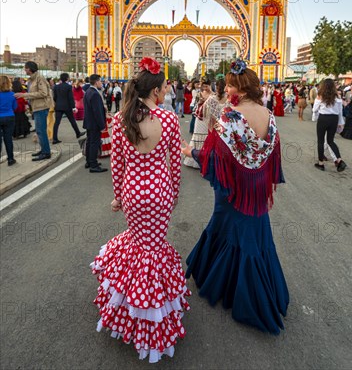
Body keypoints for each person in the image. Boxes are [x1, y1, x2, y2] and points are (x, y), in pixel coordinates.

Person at [90, 57, 190, 362]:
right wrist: (172, 195)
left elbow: (116, 167)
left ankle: (128, 311)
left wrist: (119, 197)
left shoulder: (121, 120)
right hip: (159, 192)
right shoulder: (170, 120)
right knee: (153, 248)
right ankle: (151, 321)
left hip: (133, 193)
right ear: (157, 91)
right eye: (164, 87)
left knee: (138, 245)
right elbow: (175, 165)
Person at [181, 59, 288, 334]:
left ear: (239, 88)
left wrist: (189, 152)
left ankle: (228, 284)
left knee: (223, 225)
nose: (226, 89)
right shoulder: (269, 115)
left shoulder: (230, 116)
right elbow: (273, 152)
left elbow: (214, 156)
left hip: (232, 187)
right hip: (258, 185)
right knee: (254, 231)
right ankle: (259, 288)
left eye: (229, 85)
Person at [14, 62, 54, 161]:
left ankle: (46, 152)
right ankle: (43, 149)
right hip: (36, 107)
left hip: (41, 107)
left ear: (30, 69)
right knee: (39, 131)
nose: (24, 70)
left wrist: (25, 95)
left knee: (41, 131)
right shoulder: (32, 79)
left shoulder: (39, 78)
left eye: (25, 68)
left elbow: (43, 93)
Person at [312, 79, 346, 171]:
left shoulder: (320, 95)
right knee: (331, 141)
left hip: (323, 118)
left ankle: (321, 163)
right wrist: (340, 123)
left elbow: (314, 109)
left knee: (320, 141)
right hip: (334, 119)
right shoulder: (337, 96)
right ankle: (339, 160)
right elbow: (340, 112)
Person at [183, 79, 213, 169]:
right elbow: (198, 104)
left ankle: (204, 160)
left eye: (207, 85)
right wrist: (203, 99)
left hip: (208, 118)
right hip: (200, 118)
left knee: (205, 138)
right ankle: (194, 159)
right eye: (203, 85)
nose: (205, 87)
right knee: (197, 137)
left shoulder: (213, 94)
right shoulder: (199, 93)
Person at [83, 74, 107, 172]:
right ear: (96, 82)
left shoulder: (88, 91)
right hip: (94, 123)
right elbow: (97, 111)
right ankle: (93, 164)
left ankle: (89, 161)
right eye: (100, 81)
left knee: (89, 142)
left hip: (89, 121)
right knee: (94, 143)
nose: (101, 83)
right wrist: (102, 125)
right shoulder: (95, 94)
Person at [52, 73, 85, 144]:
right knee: (72, 120)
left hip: (58, 106)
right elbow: (70, 98)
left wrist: (57, 103)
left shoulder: (56, 87)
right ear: (67, 78)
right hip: (67, 107)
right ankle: (78, 133)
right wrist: (73, 107)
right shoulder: (69, 87)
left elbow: (54, 97)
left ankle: (54, 138)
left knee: (57, 123)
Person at [0, 76, 17, 165]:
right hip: (10, 116)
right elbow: (15, 107)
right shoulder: (12, 94)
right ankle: (10, 159)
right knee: (8, 139)